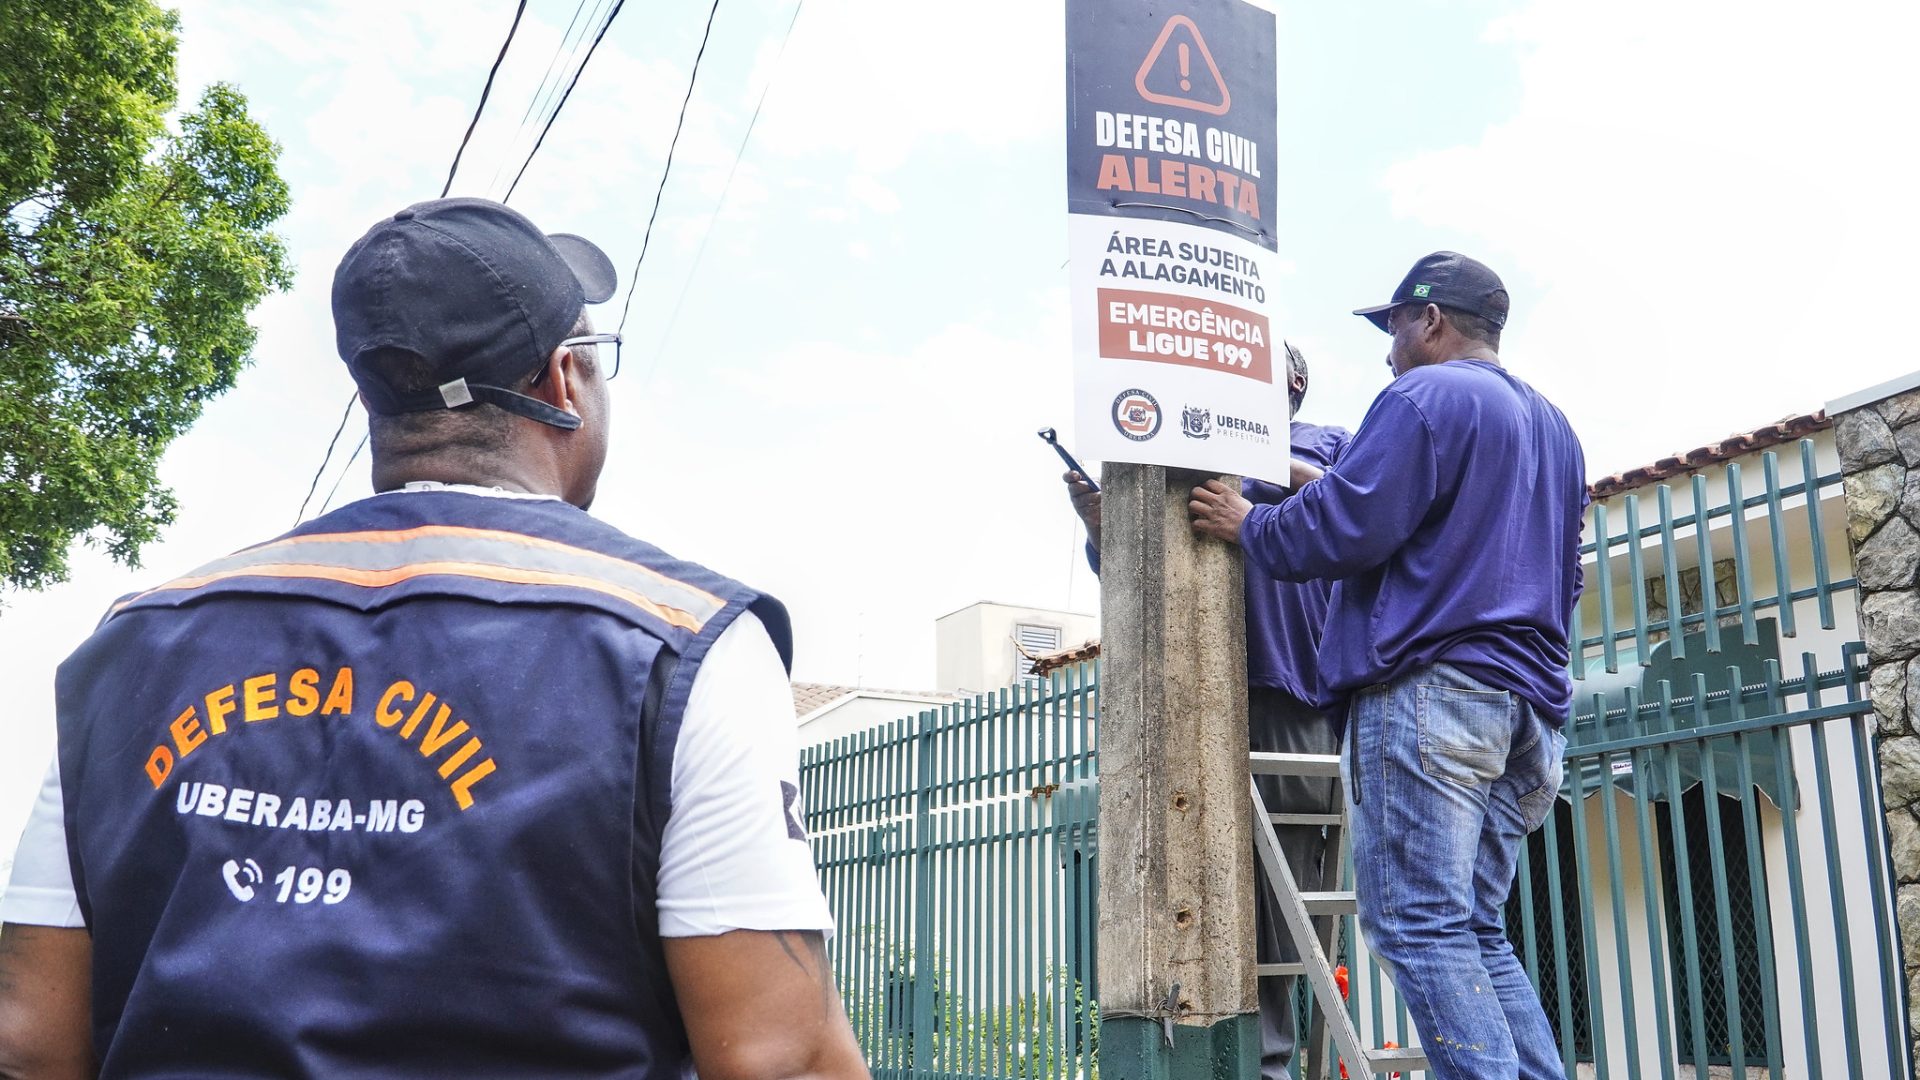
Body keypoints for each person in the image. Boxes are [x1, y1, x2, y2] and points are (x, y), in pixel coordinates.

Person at [0, 197, 871, 1080]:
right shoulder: (683, 648)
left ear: (378, 396)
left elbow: (32, 1047)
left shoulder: (130, 650)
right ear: (564, 382)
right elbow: (781, 1061)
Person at [1188, 252, 1585, 1080]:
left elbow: (1345, 524)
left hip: (1434, 696)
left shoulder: (1425, 395)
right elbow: (1566, 572)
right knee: (1473, 929)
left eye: (1395, 326)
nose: (1388, 349)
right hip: (1531, 709)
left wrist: (1247, 523)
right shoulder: (1553, 425)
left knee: (1417, 926)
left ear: (1431, 320)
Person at [1065, 342, 1350, 1080]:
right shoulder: (1185, 440)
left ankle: (1273, 1063)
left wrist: (1250, 452)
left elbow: (1348, 502)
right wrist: (1103, 521)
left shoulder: (1324, 443)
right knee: (1198, 891)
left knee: (1284, 895)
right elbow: (1135, 568)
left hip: (1292, 695)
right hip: (1189, 701)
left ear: (1290, 383)